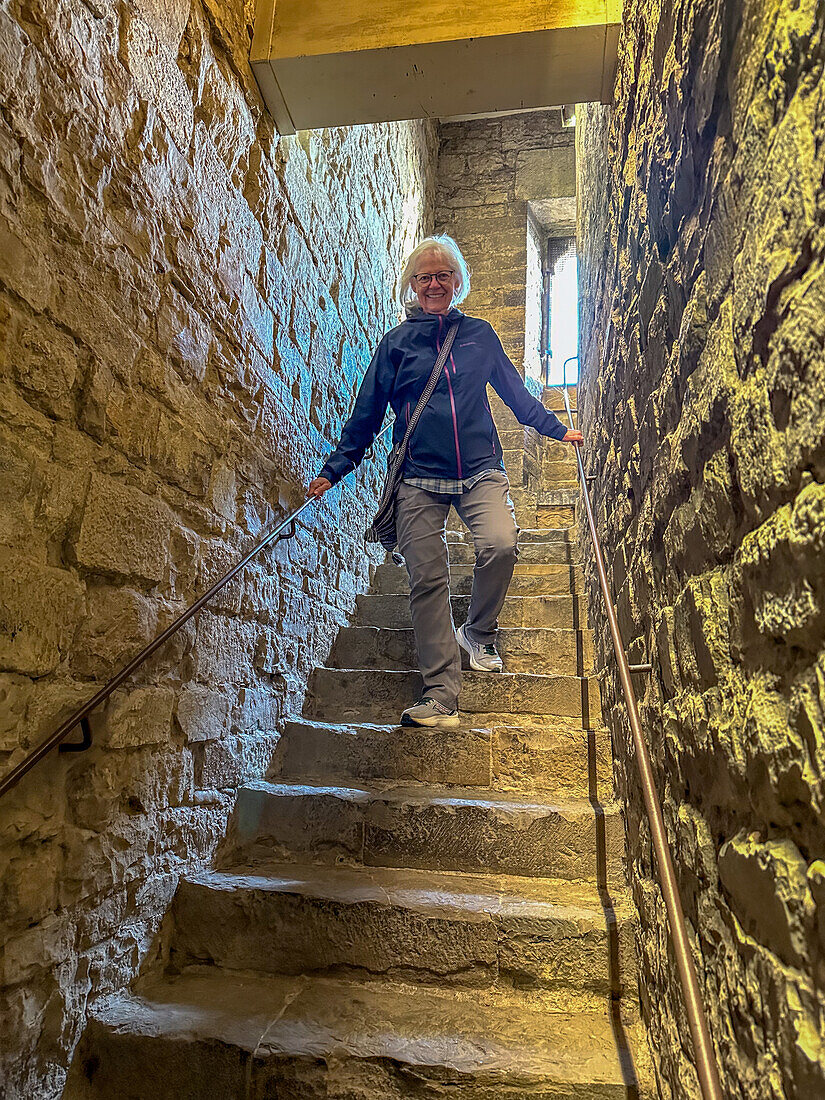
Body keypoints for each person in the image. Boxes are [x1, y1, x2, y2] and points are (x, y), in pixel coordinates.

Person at [307, 235, 583, 728]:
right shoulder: (395, 345)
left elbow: (515, 394)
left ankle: (478, 633)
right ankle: (440, 694)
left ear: (458, 282)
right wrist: (336, 467)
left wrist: (558, 429)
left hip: (479, 467)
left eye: (443, 275)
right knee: (427, 579)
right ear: (411, 285)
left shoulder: (480, 335)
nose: (434, 284)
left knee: (500, 544)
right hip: (418, 475)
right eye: (424, 276)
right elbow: (367, 414)